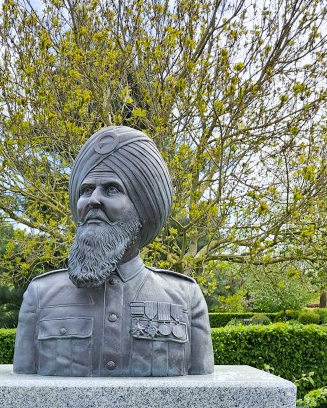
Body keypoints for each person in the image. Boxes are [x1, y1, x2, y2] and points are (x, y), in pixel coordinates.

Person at [13, 125, 214, 376]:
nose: (93, 200)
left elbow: (203, 395)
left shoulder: (185, 298)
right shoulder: (40, 295)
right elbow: (21, 395)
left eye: (111, 189)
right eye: (86, 190)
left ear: (142, 208)